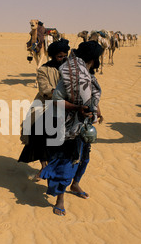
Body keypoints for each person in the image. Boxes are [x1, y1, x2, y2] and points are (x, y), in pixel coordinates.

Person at [40, 41, 103, 216]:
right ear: (93, 58)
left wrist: (96, 110)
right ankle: (60, 199)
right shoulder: (70, 77)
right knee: (65, 164)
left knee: (84, 159)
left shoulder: (87, 75)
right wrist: (77, 109)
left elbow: (90, 97)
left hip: (84, 127)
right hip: (66, 127)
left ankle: (75, 184)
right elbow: (56, 100)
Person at [18, 39, 70, 180]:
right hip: (46, 104)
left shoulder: (71, 69)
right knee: (36, 130)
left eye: (65, 56)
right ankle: (44, 167)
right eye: (60, 56)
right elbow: (45, 90)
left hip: (69, 105)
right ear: (53, 56)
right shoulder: (43, 70)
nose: (63, 59)